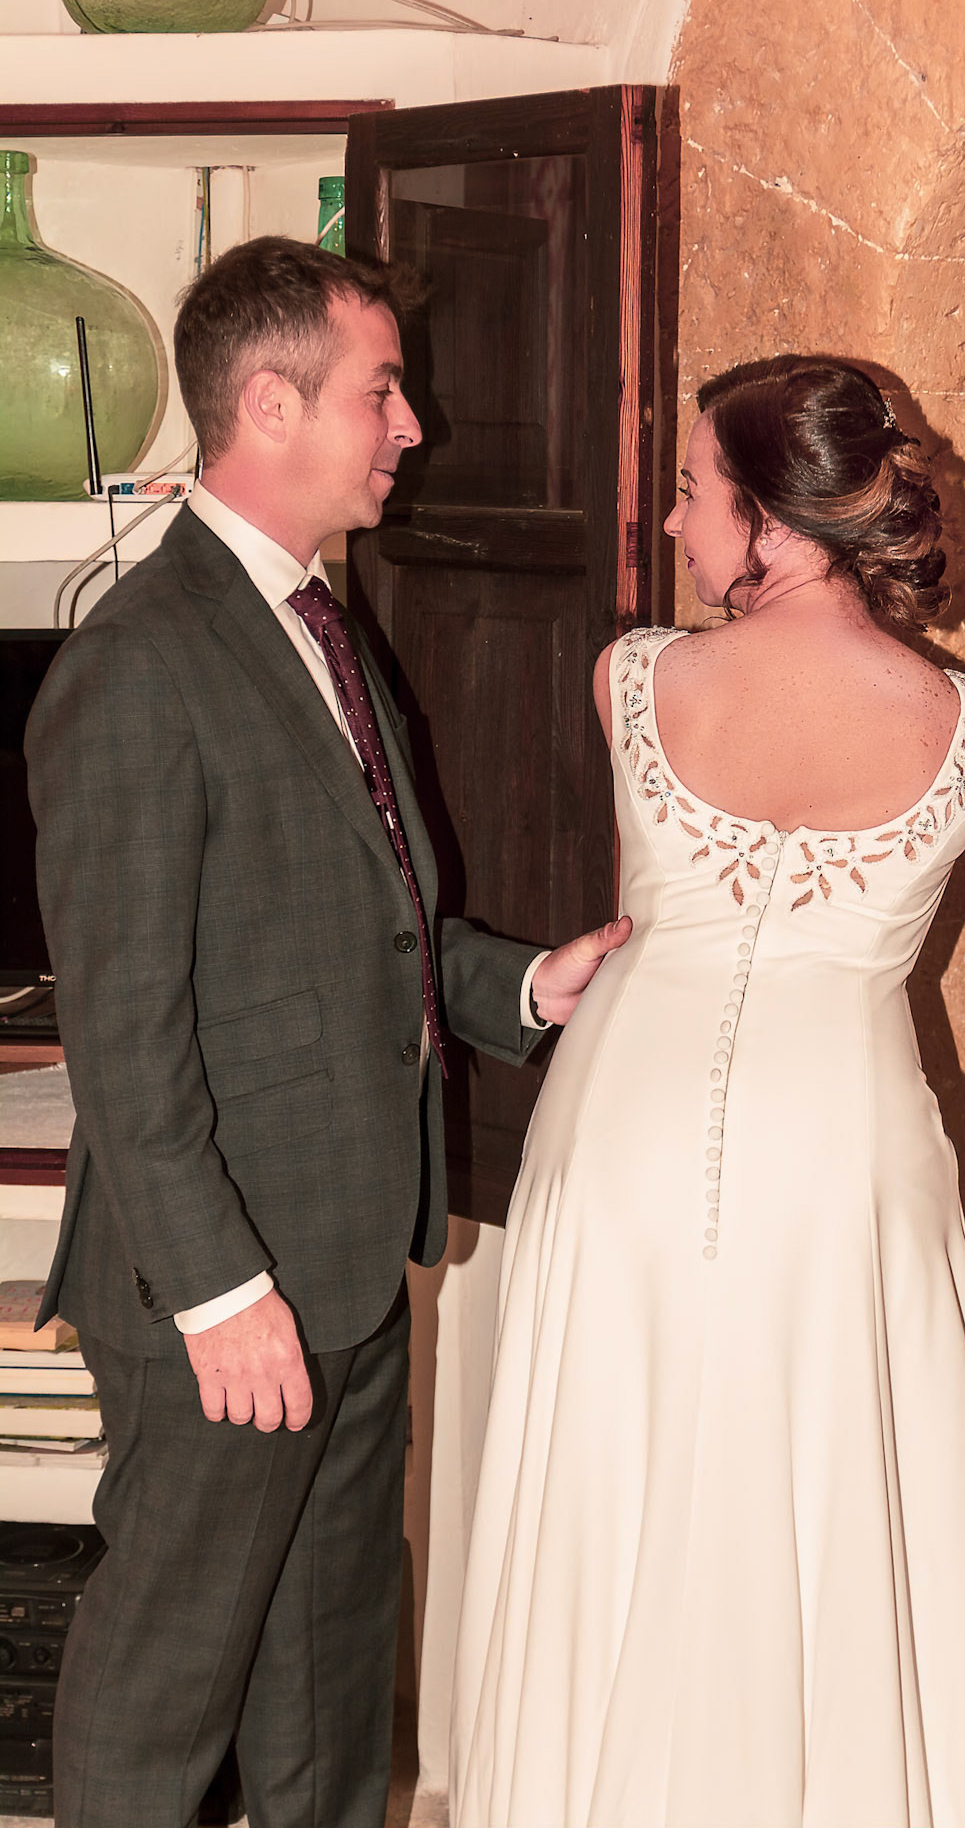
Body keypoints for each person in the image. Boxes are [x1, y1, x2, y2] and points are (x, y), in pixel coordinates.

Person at [449, 355, 965, 1828]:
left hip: (624, 1134)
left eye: (693, 491)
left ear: (771, 521)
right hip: (837, 1149)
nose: (675, 521)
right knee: (840, 1469)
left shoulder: (632, 677)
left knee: (620, 1468)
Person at [26, 235, 629, 1828]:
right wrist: (221, 1292)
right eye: (383, 392)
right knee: (165, 1693)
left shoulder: (320, 626)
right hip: (224, 1292)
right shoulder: (136, 664)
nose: (411, 426)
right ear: (273, 405)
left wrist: (522, 987)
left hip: (351, 1255)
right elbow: (125, 1030)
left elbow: (359, 927)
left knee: (328, 1689)